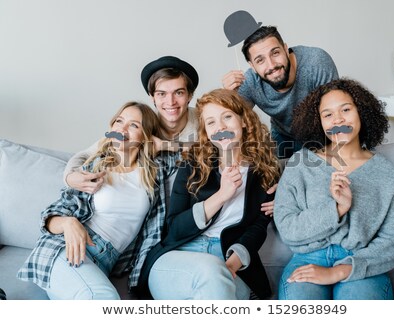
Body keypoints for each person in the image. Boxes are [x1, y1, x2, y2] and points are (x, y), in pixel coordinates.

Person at [17, 102, 180, 299]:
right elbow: (52, 214)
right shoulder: (96, 166)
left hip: (106, 263)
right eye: (119, 121)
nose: (123, 128)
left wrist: (165, 145)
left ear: (146, 136)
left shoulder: (155, 171)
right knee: (105, 300)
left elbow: (202, 153)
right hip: (67, 248)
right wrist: (68, 223)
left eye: (134, 125)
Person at [136, 88, 281, 299]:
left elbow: (258, 227)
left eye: (227, 117)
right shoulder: (191, 164)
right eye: (211, 122)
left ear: (243, 121)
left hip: (229, 258)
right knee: (212, 273)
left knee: (222, 287)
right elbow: (175, 228)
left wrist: (232, 264)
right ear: (206, 131)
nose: (220, 127)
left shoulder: (266, 170)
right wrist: (222, 195)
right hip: (179, 256)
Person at [273, 78, 394, 300]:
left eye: (346, 109)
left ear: (361, 113)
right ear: (319, 122)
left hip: (362, 263)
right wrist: (336, 209)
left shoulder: (389, 174)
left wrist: (340, 271)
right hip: (308, 260)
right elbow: (287, 226)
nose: (338, 119)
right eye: (328, 114)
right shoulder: (301, 164)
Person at [64, 56, 199, 194]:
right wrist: (70, 178)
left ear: (190, 95)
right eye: (161, 94)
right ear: (152, 97)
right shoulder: (143, 124)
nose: (170, 102)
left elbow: (213, 151)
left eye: (179, 93)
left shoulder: (205, 119)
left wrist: (165, 146)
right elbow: (86, 154)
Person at [222, 26, 339, 159]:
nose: (272, 65)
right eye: (260, 60)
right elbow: (233, 124)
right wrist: (228, 97)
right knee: (278, 173)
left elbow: (335, 113)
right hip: (282, 134)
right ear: (252, 66)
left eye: (275, 53)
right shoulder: (248, 83)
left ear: (285, 49)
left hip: (319, 133)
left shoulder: (316, 63)